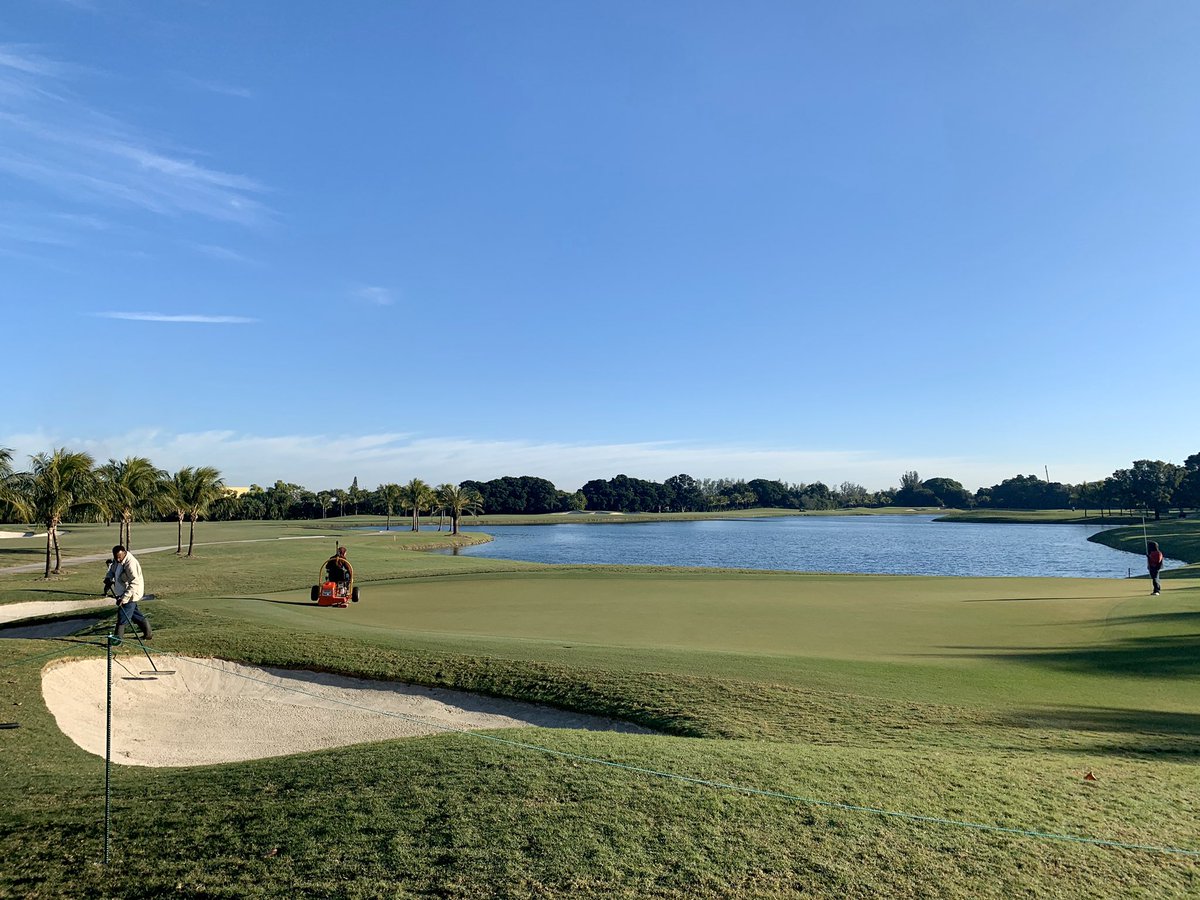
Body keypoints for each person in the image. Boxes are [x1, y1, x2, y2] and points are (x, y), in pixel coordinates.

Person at [109, 544, 152, 641]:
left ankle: (117, 640)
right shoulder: (117, 560)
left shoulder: (130, 563)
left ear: (124, 553)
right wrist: (108, 578)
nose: (118, 560)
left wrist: (124, 598)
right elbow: (112, 570)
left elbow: (135, 583)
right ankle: (148, 634)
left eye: (119, 557)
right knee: (135, 615)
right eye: (116, 558)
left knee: (122, 616)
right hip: (123, 592)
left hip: (131, 594)